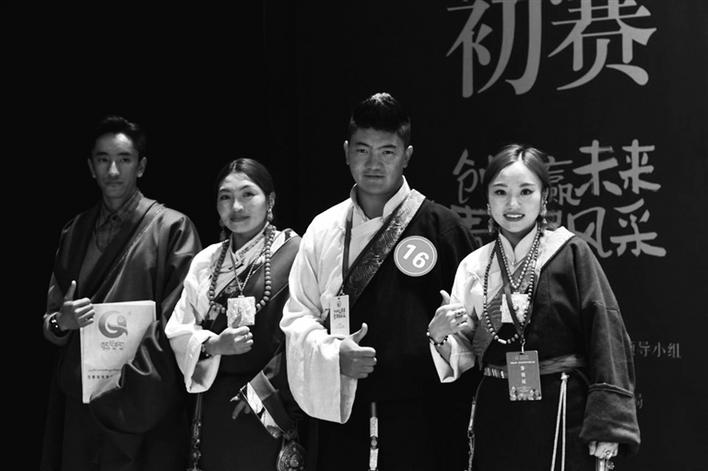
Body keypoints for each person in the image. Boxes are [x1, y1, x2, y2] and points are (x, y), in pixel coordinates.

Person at [281, 92, 479, 470]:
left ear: (407, 155)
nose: (373, 163)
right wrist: (334, 355)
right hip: (343, 413)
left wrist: (441, 340)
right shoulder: (323, 228)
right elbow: (297, 316)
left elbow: (472, 330)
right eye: (362, 150)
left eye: (387, 152)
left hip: (423, 421)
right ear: (346, 152)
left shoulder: (443, 228)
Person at [428, 143, 640, 470]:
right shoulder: (474, 266)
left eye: (526, 191)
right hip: (497, 412)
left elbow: (606, 332)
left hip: (563, 408)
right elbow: (466, 352)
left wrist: (608, 425)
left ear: (544, 198)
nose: (513, 204)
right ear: (487, 201)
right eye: (500, 192)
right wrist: (440, 335)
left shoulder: (570, 252)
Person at [41, 115, 202, 470]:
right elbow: (51, 320)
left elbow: (179, 323)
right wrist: (61, 322)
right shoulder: (75, 231)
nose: (113, 170)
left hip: (146, 404)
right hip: (83, 402)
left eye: (124, 159)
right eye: (103, 160)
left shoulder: (172, 228)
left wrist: (130, 389)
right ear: (91, 167)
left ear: (141, 166)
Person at [165, 158, 305, 471]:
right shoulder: (207, 261)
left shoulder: (296, 253)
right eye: (225, 197)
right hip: (214, 397)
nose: (236, 207)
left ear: (270, 200)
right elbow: (178, 329)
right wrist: (213, 345)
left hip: (272, 397)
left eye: (247, 194)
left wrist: (263, 391)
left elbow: (306, 329)